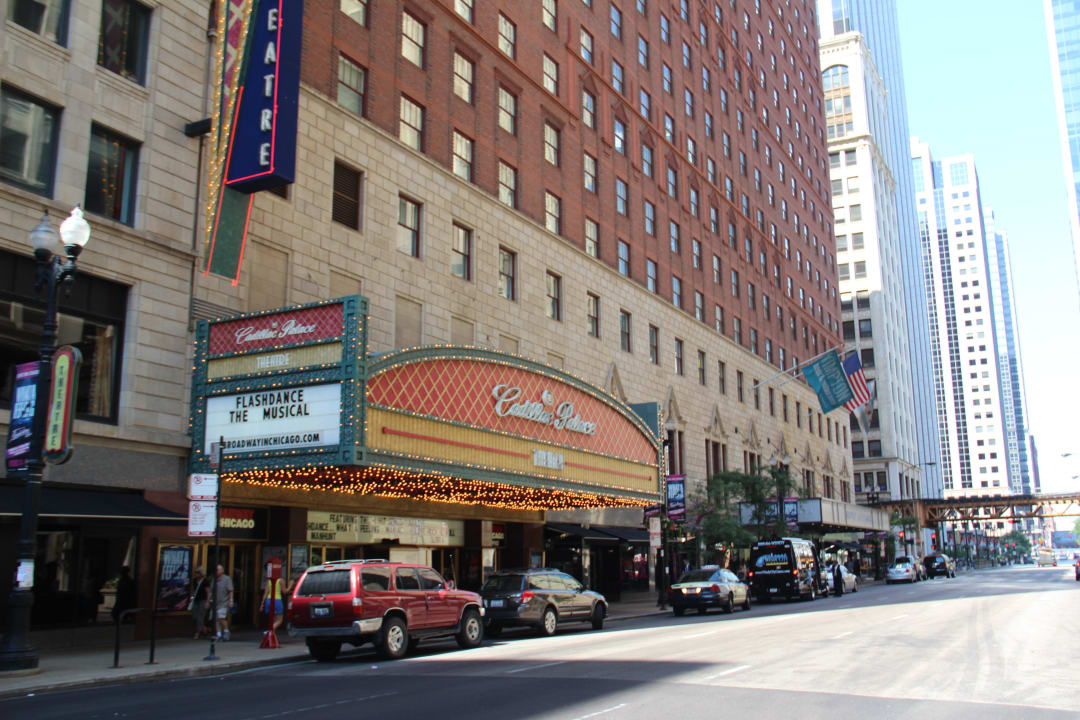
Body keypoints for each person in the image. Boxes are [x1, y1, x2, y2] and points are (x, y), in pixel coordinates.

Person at [212, 564, 234, 641]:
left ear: (222, 571)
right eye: (216, 570)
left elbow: (230, 590)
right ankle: (218, 634)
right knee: (216, 619)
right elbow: (211, 590)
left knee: (221, 617)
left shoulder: (227, 579)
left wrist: (231, 600)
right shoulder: (214, 579)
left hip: (224, 602)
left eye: (218, 570)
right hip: (215, 602)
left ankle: (226, 631)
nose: (216, 571)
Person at [190, 567, 211, 639]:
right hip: (196, 600)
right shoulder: (194, 581)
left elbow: (208, 592)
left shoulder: (205, 581)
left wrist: (207, 602)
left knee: (200, 617)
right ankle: (205, 629)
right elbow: (193, 590)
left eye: (198, 572)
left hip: (203, 600)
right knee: (195, 616)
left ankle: (197, 633)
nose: (196, 574)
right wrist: (192, 597)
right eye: (196, 572)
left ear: (201, 573)